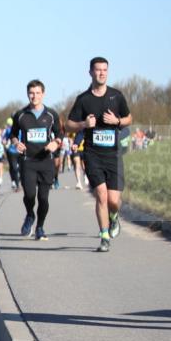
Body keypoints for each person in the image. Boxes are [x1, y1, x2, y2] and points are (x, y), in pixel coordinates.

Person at [65, 57, 132, 252]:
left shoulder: (116, 96)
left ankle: (113, 217)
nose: (101, 73)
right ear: (90, 73)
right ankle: (104, 236)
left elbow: (129, 118)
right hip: (92, 154)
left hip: (113, 155)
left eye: (105, 70)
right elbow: (69, 124)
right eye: (98, 70)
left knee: (113, 200)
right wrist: (83, 124)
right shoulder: (83, 99)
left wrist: (117, 121)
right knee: (101, 196)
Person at [10, 80, 63, 240]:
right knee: (30, 195)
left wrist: (56, 142)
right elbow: (12, 134)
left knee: (43, 198)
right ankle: (30, 215)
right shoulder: (20, 115)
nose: (34, 96)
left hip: (46, 160)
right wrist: (16, 143)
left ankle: (40, 227)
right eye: (31, 93)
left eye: (38, 93)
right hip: (28, 161)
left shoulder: (51, 114)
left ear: (43, 94)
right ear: (27, 94)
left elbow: (60, 133)